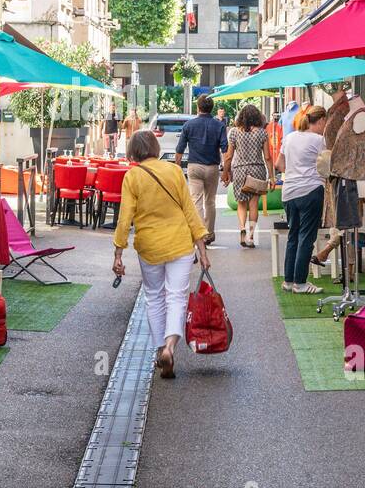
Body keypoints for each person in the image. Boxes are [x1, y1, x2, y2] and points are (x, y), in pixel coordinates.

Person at [113, 130, 210, 379]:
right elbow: (190, 211)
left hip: (150, 246)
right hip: (180, 244)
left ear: (134, 151)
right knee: (177, 298)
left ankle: (159, 350)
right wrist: (202, 247)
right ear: (155, 148)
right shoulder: (174, 171)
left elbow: (125, 218)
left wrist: (118, 253)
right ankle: (170, 347)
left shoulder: (132, 177)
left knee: (154, 298)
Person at [276, 105, 327, 293]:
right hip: (310, 190)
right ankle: (300, 283)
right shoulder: (319, 140)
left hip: (289, 192)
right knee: (306, 237)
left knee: (293, 236)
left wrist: (293, 172)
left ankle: (288, 281)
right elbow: (327, 165)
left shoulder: (289, 138)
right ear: (321, 121)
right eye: (325, 122)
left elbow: (279, 164)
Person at [174, 94, 228, 243]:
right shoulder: (219, 125)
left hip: (194, 167)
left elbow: (179, 150)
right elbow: (225, 150)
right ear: (212, 109)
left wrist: (177, 169)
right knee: (210, 201)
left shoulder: (189, 125)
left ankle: (200, 234)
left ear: (198, 108)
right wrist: (226, 170)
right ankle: (209, 234)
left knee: (196, 200)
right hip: (212, 167)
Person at [223, 103, 275, 248]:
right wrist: (271, 177)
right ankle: (251, 236)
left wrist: (225, 172)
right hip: (257, 170)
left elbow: (228, 156)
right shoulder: (262, 133)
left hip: (239, 170)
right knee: (253, 205)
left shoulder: (233, 132)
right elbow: (268, 157)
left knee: (241, 203)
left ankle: (242, 229)